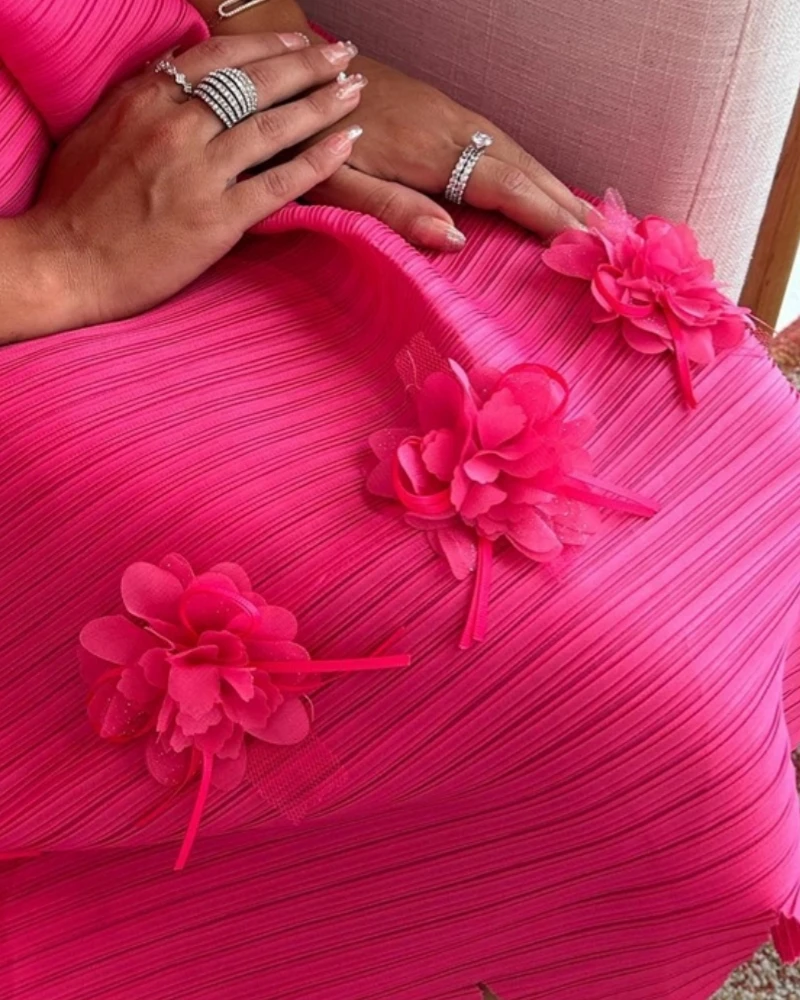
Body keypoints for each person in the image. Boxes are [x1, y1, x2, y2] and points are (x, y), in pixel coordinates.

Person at [1, 1, 799, 998]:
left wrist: (284, 57)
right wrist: (54, 260)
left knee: (735, 426)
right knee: (651, 746)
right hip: (36, 301)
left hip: (156, 126)